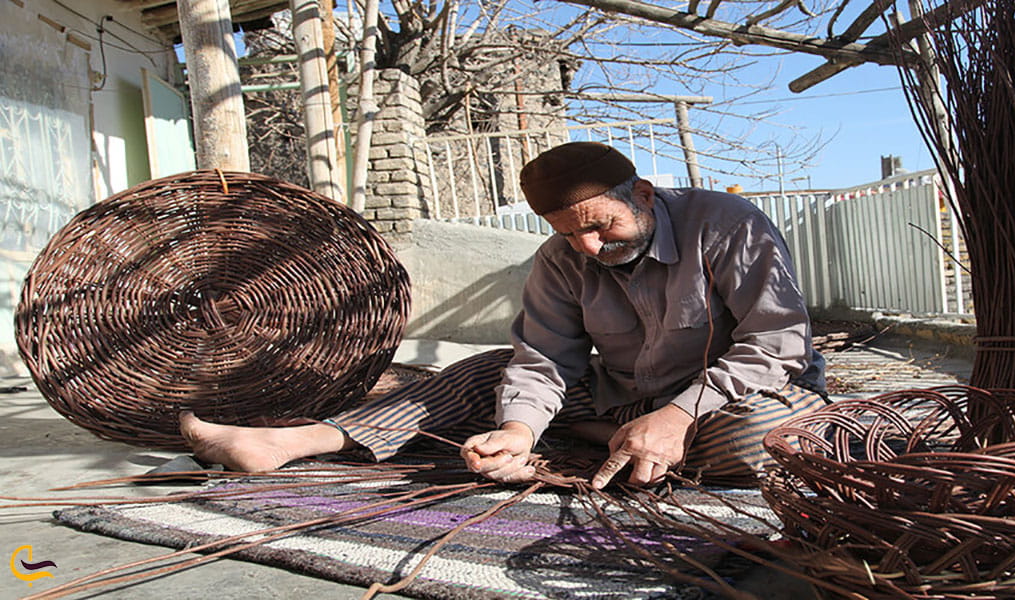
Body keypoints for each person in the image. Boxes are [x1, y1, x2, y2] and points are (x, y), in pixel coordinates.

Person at [181, 141, 826, 489]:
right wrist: (519, 431)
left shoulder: (727, 225)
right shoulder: (562, 257)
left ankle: (621, 444)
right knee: (492, 371)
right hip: (621, 401)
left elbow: (780, 344)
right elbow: (545, 360)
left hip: (726, 403)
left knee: (774, 439)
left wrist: (681, 414)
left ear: (646, 196)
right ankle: (290, 443)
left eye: (600, 228)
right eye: (568, 234)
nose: (588, 249)